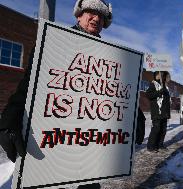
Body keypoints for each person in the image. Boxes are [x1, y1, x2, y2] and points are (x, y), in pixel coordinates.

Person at [0, 0, 112, 188]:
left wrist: (133, 116)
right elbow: (30, 83)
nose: (97, 18)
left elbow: (113, 93)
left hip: (90, 145)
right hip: (56, 140)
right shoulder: (55, 41)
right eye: (91, 12)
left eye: (101, 15)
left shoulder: (108, 56)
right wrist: (10, 119)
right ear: (79, 15)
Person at [146, 71, 171, 152]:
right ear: (155, 76)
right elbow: (148, 95)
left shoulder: (165, 86)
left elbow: (167, 100)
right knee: (156, 129)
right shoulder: (153, 84)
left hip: (164, 112)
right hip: (157, 111)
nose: (159, 76)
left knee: (163, 129)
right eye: (157, 74)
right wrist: (159, 92)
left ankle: (160, 144)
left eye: (160, 75)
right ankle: (151, 146)